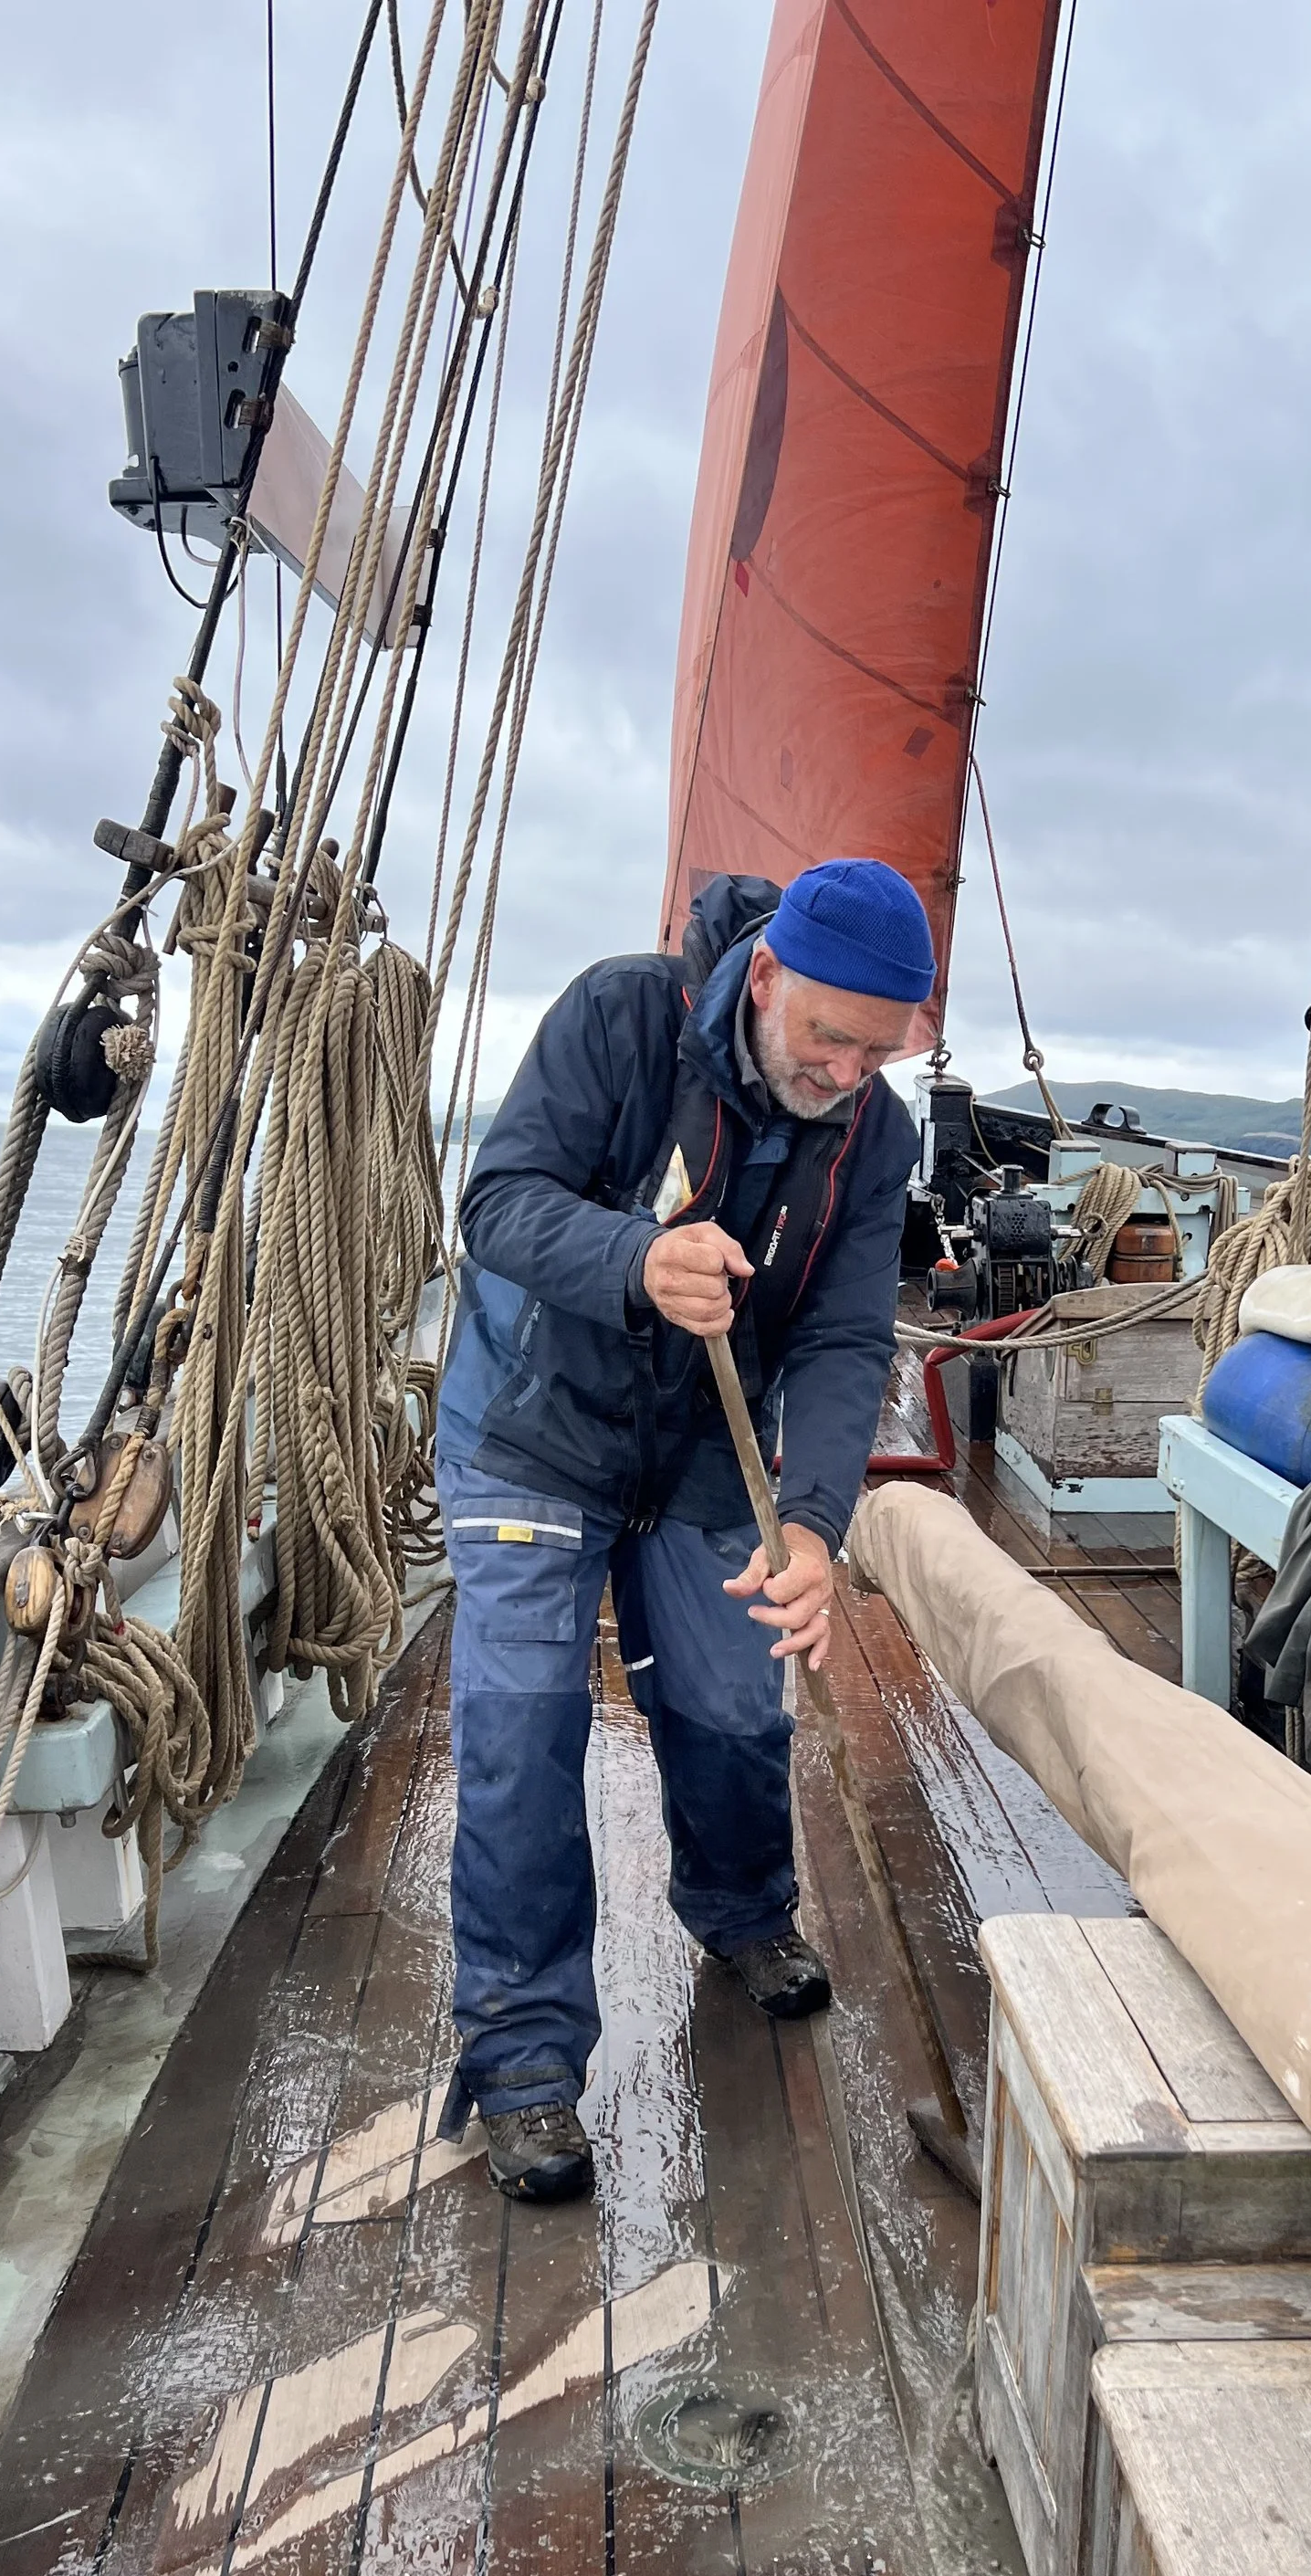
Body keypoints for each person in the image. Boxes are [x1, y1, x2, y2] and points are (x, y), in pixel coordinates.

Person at [432, 858, 934, 2199]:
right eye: (827, 1034)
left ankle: (740, 1913)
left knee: (731, 1703)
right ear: (764, 976)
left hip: (708, 1446)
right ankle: (525, 2060)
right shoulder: (620, 1018)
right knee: (521, 1723)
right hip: (536, 1428)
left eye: (877, 1051)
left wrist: (816, 1526)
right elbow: (495, 1206)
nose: (843, 1071)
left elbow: (841, 1336)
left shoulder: (874, 1132)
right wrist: (635, 1262)